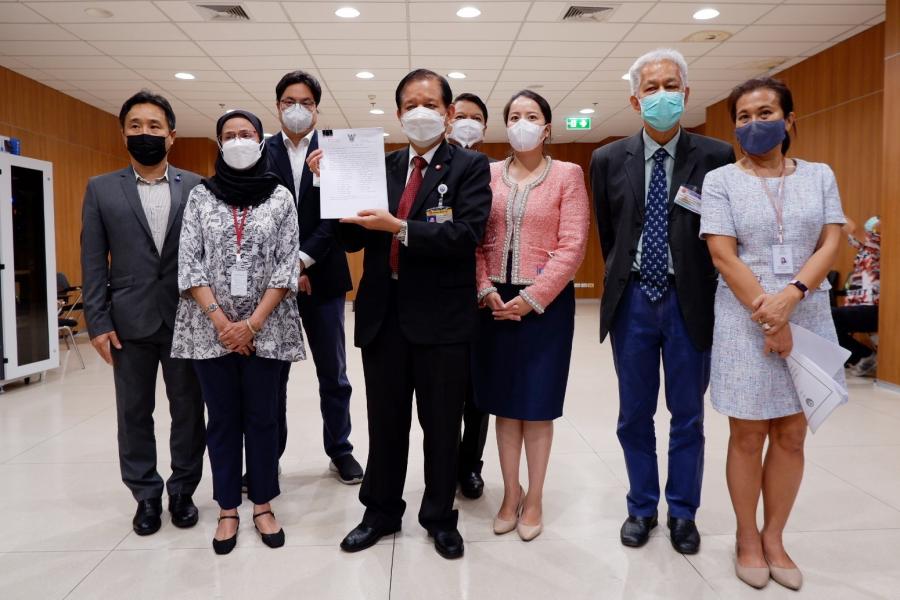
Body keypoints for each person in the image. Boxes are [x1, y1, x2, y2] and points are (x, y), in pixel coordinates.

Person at [309, 69, 492, 559]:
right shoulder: (378, 166)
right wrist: (329, 186)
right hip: (383, 316)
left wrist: (400, 227)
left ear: (448, 114)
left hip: (443, 320)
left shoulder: (470, 166)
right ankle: (381, 512)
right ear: (397, 114)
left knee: (441, 425)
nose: (420, 112)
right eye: (411, 105)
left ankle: (439, 517)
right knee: (386, 422)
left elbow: (466, 234)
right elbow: (351, 238)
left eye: (430, 104)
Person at [701, 77, 845, 590]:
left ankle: (775, 536)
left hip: (808, 313)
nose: (754, 124)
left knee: (791, 434)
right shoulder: (720, 181)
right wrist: (769, 315)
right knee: (747, 434)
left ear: (789, 120)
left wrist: (793, 296)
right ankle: (746, 537)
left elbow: (831, 241)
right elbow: (722, 254)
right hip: (744, 319)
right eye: (743, 116)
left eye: (765, 113)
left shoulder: (820, 175)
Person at [590, 48, 735, 555]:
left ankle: (683, 512)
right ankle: (641, 507)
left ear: (686, 94)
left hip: (689, 300)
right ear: (635, 100)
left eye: (671, 86)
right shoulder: (608, 159)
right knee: (634, 414)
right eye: (650, 88)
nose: (661, 95)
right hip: (632, 299)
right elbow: (609, 234)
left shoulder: (716, 157)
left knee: (687, 415)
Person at [172, 110, 305, 555]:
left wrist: (251, 325)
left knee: (264, 419)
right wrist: (223, 324)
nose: (238, 141)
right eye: (229, 135)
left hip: (268, 328)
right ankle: (227, 507)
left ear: (261, 141)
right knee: (223, 420)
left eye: (246, 133)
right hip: (209, 330)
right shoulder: (200, 196)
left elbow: (287, 266)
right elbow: (189, 263)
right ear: (218, 144)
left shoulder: (281, 197)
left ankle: (263, 504)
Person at [80, 90, 205, 537]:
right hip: (127, 321)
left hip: (187, 319)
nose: (144, 133)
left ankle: (183, 491)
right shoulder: (101, 189)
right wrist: (97, 322)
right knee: (133, 412)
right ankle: (146, 495)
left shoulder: (197, 187)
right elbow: (93, 260)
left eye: (154, 126)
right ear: (123, 134)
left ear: (171, 136)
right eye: (135, 126)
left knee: (188, 410)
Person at [474, 90, 589, 541]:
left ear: (546, 128)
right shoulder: (487, 175)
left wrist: (533, 297)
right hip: (494, 304)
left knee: (538, 407)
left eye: (532, 116)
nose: (523, 123)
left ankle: (535, 496)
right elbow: (474, 239)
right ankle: (510, 493)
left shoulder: (567, 175)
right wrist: (485, 289)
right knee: (505, 406)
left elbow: (573, 244)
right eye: (515, 116)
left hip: (546, 306)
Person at [265, 70, 363, 486]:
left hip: (323, 277)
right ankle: (269, 455)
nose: (297, 109)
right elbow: (257, 218)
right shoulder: (259, 150)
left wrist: (302, 263)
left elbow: (338, 217)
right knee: (273, 376)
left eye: (306, 102)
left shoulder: (336, 151)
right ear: (278, 106)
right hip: (271, 285)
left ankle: (340, 449)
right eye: (290, 101)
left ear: (317, 110)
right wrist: (287, 269)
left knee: (334, 373)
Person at [448, 91, 494, 499]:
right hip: (444, 294)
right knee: (446, 391)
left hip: (485, 296)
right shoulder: (433, 169)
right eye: (460, 115)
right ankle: (445, 465)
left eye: (474, 117)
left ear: (485, 126)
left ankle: (471, 465)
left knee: (478, 393)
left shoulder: (495, 172)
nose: (467, 122)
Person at [832, 215, 879, 376]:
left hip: (872, 307)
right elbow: (850, 232)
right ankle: (862, 356)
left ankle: (863, 356)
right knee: (826, 320)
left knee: (830, 316)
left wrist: (833, 208)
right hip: (857, 308)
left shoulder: (877, 247)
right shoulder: (863, 250)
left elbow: (852, 229)